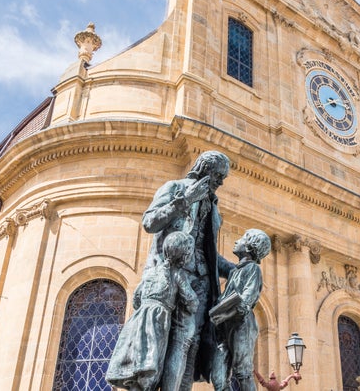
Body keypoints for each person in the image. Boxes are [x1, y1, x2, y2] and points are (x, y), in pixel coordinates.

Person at [140, 151, 235, 391]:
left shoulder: (213, 207)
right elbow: (150, 222)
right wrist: (183, 200)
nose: (221, 182)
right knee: (164, 341)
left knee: (190, 341)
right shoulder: (174, 188)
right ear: (204, 169)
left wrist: (233, 270)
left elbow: (209, 253)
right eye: (218, 175)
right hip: (173, 274)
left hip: (202, 281)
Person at [106, 231, 198, 391]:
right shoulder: (177, 274)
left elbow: (136, 298)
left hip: (139, 318)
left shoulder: (151, 272)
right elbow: (191, 301)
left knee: (137, 359)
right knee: (152, 361)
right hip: (158, 320)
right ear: (183, 255)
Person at [210, 229, 271, 391]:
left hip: (241, 326)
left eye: (243, 238)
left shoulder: (253, 269)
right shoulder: (235, 270)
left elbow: (247, 298)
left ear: (251, 247)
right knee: (218, 376)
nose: (237, 241)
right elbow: (218, 261)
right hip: (225, 325)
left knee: (242, 373)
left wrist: (224, 307)